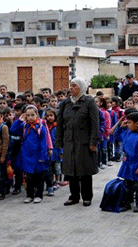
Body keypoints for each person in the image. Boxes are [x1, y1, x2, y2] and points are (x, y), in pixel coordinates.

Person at [55, 78, 100, 207]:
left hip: (84, 142)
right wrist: (60, 141)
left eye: (74, 86)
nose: (71, 88)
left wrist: (93, 142)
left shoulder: (89, 102)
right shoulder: (65, 103)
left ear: (81, 87)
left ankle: (87, 196)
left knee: (84, 171)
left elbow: (94, 124)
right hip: (69, 141)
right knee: (71, 171)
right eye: (70, 86)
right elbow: (60, 124)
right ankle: (74, 196)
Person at [10, 105, 53, 204]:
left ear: (37, 115)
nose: (30, 117)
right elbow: (12, 130)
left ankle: (39, 195)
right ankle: (29, 195)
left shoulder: (41, 127)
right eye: (28, 115)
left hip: (38, 156)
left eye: (32, 115)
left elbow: (44, 142)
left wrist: (43, 156)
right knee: (28, 177)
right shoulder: (24, 126)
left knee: (39, 177)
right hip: (27, 156)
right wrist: (19, 120)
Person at [112, 111, 138, 212]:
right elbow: (116, 136)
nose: (127, 124)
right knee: (127, 186)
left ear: (137, 124)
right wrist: (120, 126)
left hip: (136, 165)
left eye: (129, 122)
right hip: (127, 164)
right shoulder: (126, 132)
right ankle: (127, 203)